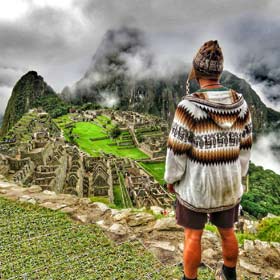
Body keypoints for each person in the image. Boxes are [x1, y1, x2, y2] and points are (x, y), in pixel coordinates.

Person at [163, 40, 253, 280]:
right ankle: (229, 274)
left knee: (193, 236)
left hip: (198, 186)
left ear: (197, 73)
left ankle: (189, 278)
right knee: (227, 232)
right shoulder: (241, 104)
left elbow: (176, 149)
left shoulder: (188, 106)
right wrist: (238, 176)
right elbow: (245, 147)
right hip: (228, 183)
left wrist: (171, 180)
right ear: (219, 71)